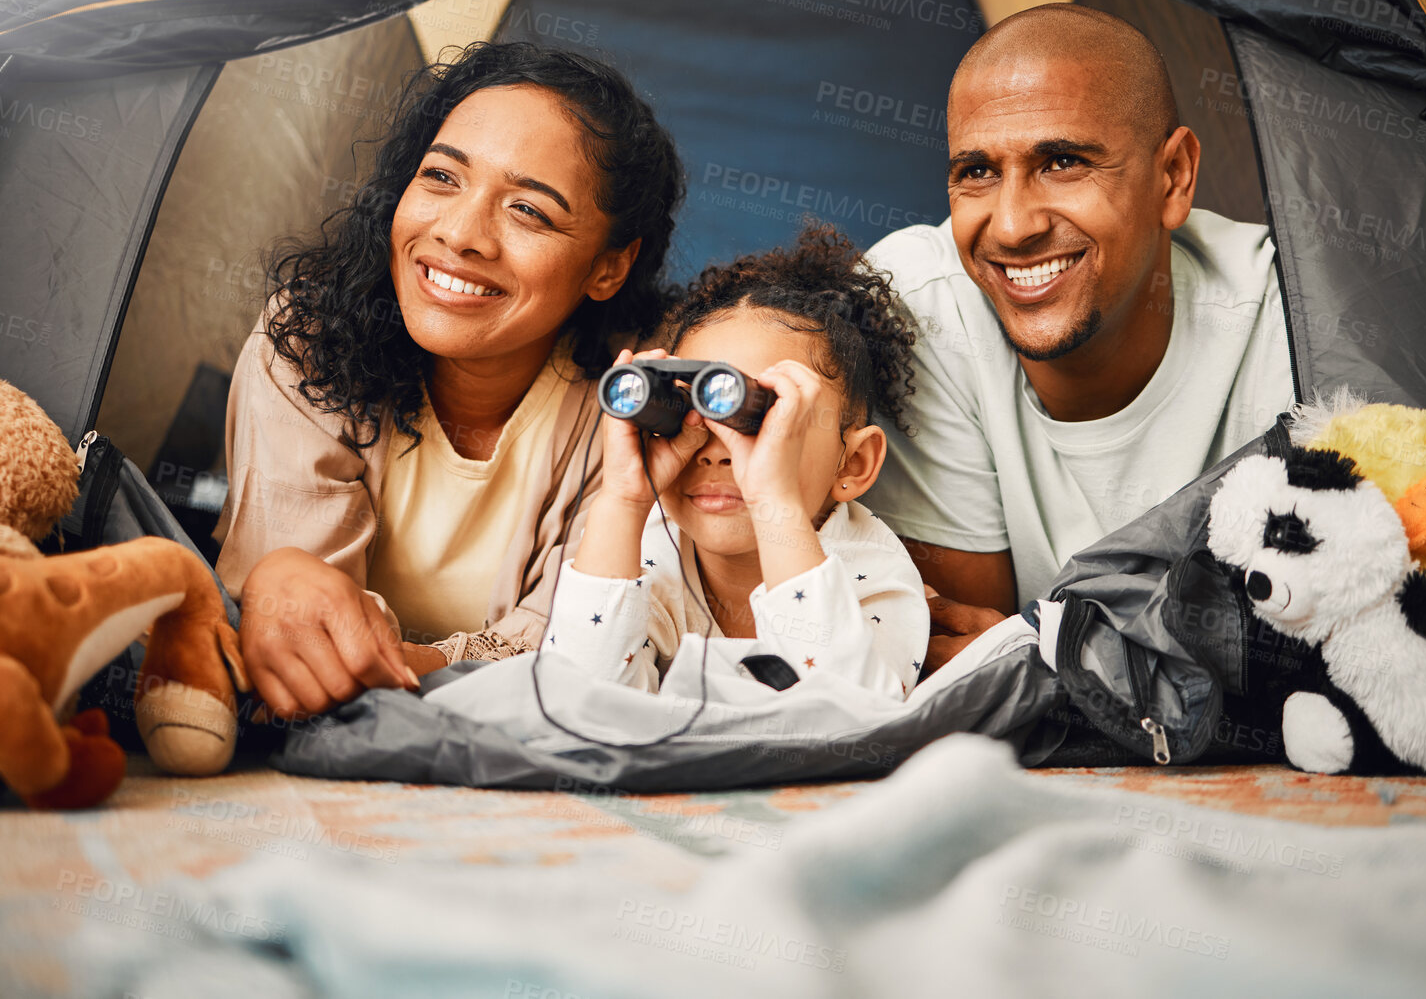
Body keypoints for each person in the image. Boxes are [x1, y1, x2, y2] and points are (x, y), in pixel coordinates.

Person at [215, 41, 685, 719]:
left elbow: (583, 657)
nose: (461, 233)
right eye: (441, 177)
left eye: (528, 210)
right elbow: (295, 638)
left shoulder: (637, 400)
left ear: (608, 267)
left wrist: (408, 662)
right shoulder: (311, 338)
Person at [863, 4, 1297, 671]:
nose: (1010, 226)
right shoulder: (918, 306)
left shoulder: (1290, 315)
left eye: (1062, 162)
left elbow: (1328, 642)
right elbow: (963, 665)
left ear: (1173, 176)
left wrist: (1055, 661)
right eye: (975, 172)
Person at [542, 227, 929, 699]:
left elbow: (852, 717)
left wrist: (773, 501)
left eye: (761, 419)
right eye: (688, 410)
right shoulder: (650, 548)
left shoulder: (871, 572)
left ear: (853, 464)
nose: (717, 448)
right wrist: (622, 500)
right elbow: (576, 701)